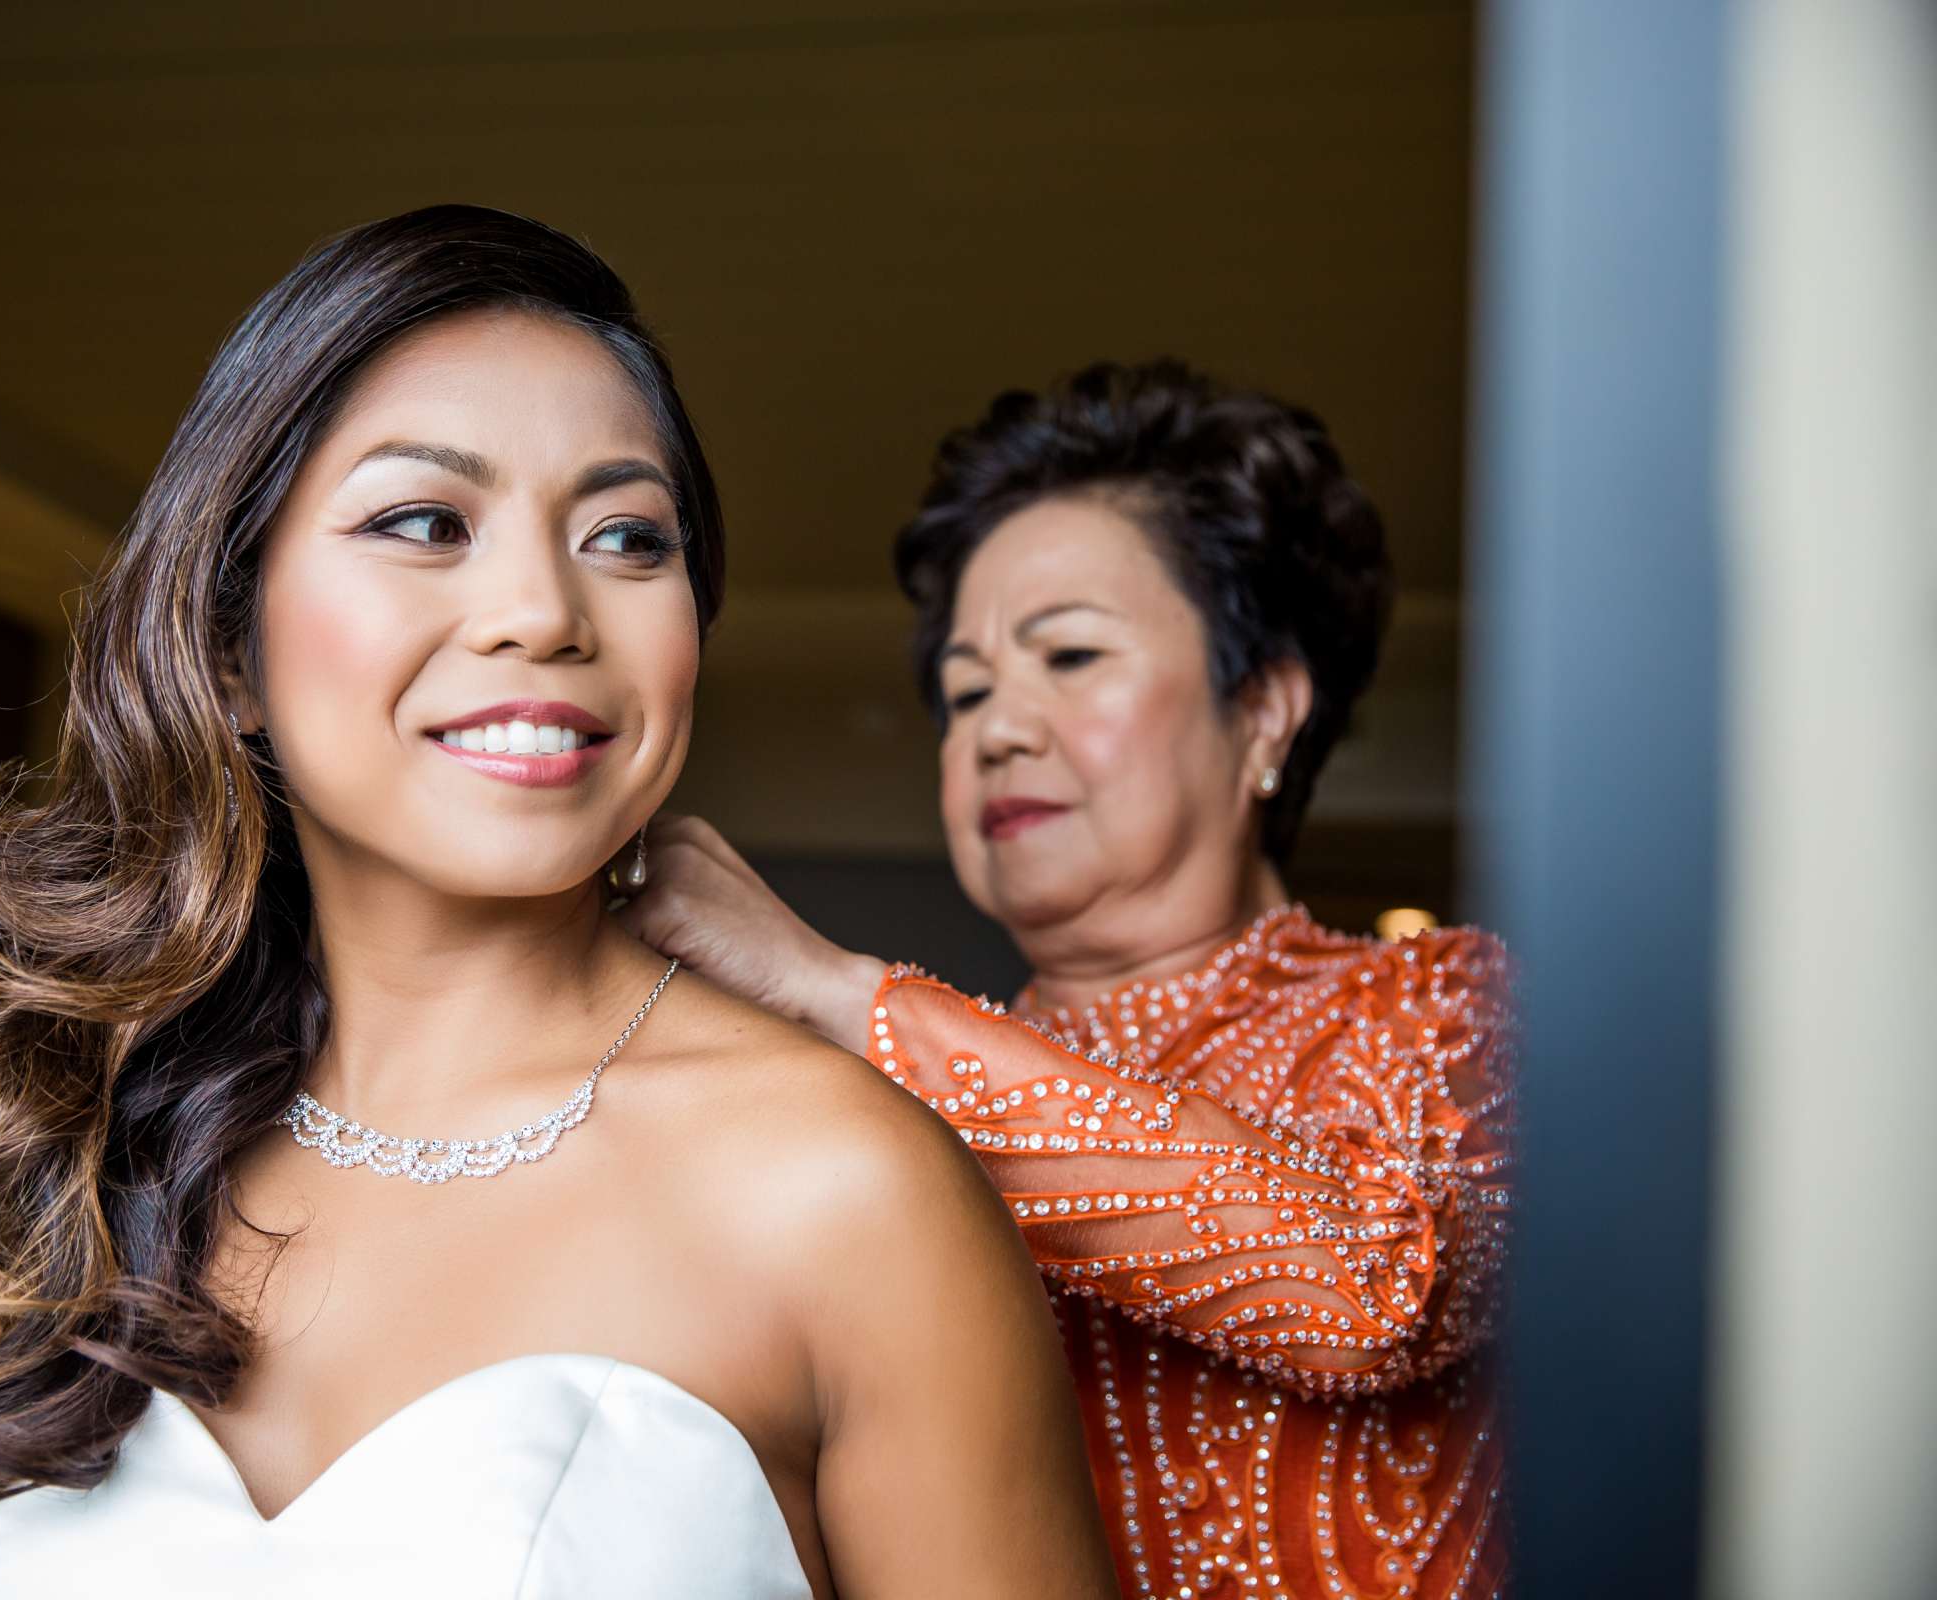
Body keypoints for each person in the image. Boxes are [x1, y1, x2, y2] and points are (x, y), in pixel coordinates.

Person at [0, 207, 1116, 1600]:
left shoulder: (849, 1196)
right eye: (424, 521)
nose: (543, 610)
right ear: (228, 648)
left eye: (628, 538)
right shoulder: (64, 1162)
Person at [622, 360, 1515, 1598]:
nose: (998, 727)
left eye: (1072, 657)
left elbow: (1385, 1281)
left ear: (1264, 712)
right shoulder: (846, 1095)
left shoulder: (1444, 999)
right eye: (966, 689)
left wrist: (839, 998)